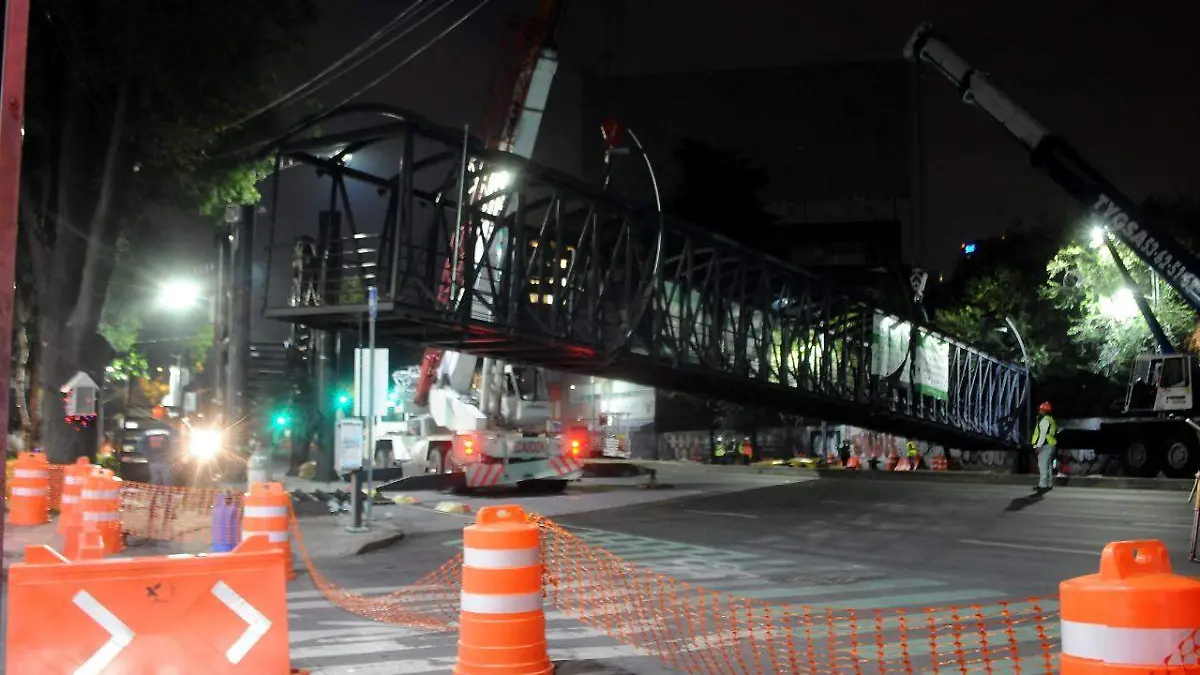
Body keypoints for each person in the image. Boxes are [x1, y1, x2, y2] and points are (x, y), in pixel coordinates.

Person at [1031, 401, 1057, 492]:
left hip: (1045, 445)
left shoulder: (1044, 420)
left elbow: (1042, 434)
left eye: (1041, 410)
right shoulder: (1051, 419)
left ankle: (1042, 486)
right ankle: (1049, 484)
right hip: (1051, 444)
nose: (1040, 411)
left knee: (1042, 465)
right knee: (1048, 465)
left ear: (1044, 411)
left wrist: (1038, 446)